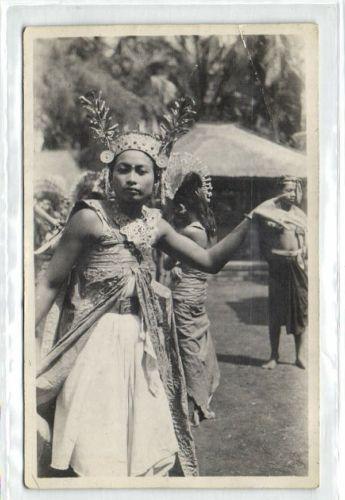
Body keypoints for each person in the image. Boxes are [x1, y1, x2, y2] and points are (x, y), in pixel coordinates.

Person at [35, 92, 268, 478]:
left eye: (141, 171)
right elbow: (50, 281)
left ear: (156, 178)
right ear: (110, 175)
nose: (131, 178)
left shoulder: (156, 225)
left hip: (142, 340)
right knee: (95, 438)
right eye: (123, 169)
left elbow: (209, 261)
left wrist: (250, 219)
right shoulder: (89, 219)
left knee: (144, 436)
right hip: (93, 340)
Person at [163, 155, 220, 426]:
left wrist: (174, 264)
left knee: (185, 347)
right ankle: (200, 398)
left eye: (178, 207)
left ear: (185, 206)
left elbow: (166, 258)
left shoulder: (188, 232)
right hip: (198, 292)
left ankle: (193, 404)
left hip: (184, 293)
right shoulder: (208, 228)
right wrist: (179, 265)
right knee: (197, 344)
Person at [255, 176, 308, 370]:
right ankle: (273, 355)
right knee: (276, 312)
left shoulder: (300, 215)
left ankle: (299, 356)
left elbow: (308, 241)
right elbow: (261, 241)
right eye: (287, 190)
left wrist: (304, 254)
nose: (291, 194)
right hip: (278, 267)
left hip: (298, 266)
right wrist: (271, 258)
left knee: (300, 311)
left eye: (294, 190)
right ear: (279, 191)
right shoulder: (269, 214)